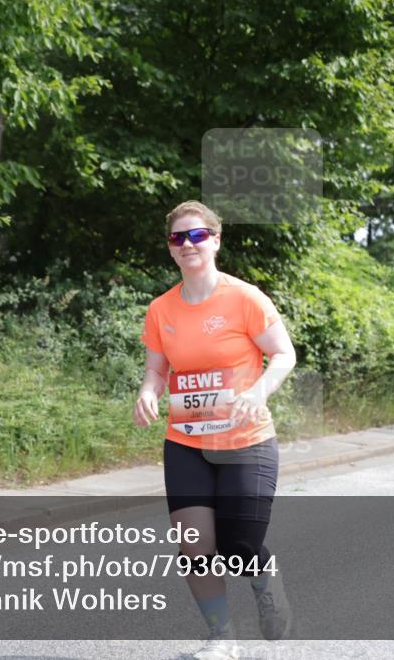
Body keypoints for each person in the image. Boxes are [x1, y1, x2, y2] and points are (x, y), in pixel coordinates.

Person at [134, 201, 296, 660]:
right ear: (170, 248)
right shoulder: (161, 309)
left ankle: (265, 577)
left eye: (197, 235)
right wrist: (147, 393)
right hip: (186, 442)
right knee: (194, 547)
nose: (188, 245)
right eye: (178, 238)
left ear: (215, 240)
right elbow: (156, 371)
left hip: (246, 441)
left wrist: (259, 391)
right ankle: (220, 639)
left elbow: (283, 354)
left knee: (238, 546)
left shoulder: (244, 298)